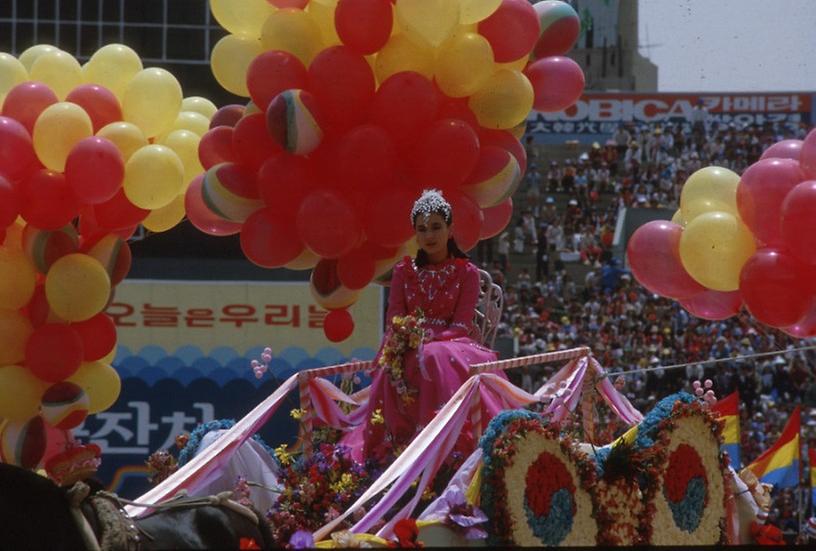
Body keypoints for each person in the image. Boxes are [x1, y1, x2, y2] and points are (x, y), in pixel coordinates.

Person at [344, 190, 500, 461]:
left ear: (450, 229)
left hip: (451, 344)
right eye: (422, 229)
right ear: (415, 234)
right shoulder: (404, 272)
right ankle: (394, 449)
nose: (430, 235)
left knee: (432, 356)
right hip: (408, 342)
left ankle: (443, 443)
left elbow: (462, 325)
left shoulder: (467, 273)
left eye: (437, 227)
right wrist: (404, 337)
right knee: (392, 360)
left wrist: (425, 340)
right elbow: (394, 317)